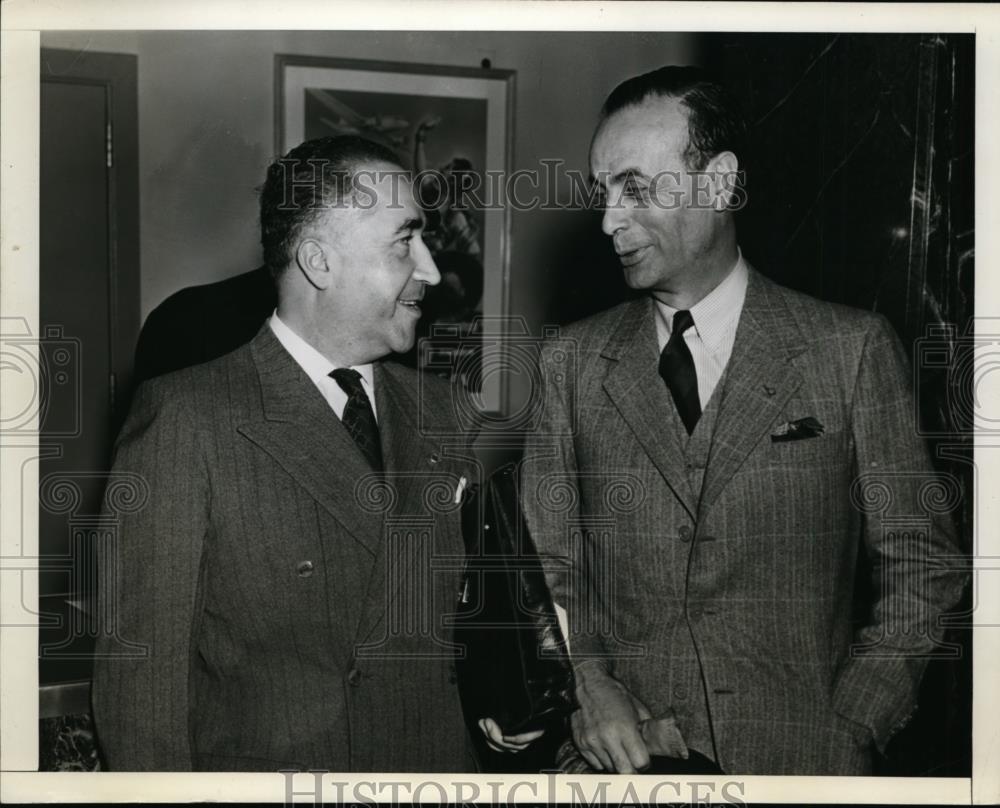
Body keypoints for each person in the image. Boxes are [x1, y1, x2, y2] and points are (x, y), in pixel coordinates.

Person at [521, 66, 968, 776]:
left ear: (720, 183)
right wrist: (592, 686)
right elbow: (549, 568)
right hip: (625, 764)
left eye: (634, 188)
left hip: (803, 764)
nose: (609, 220)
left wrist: (854, 722)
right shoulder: (570, 362)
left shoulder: (848, 350)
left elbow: (923, 565)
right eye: (602, 193)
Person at [92, 135, 488, 771]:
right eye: (403, 241)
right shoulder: (188, 419)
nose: (433, 270)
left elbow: (467, 633)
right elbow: (142, 699)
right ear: (318, 262)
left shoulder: (445, 411)